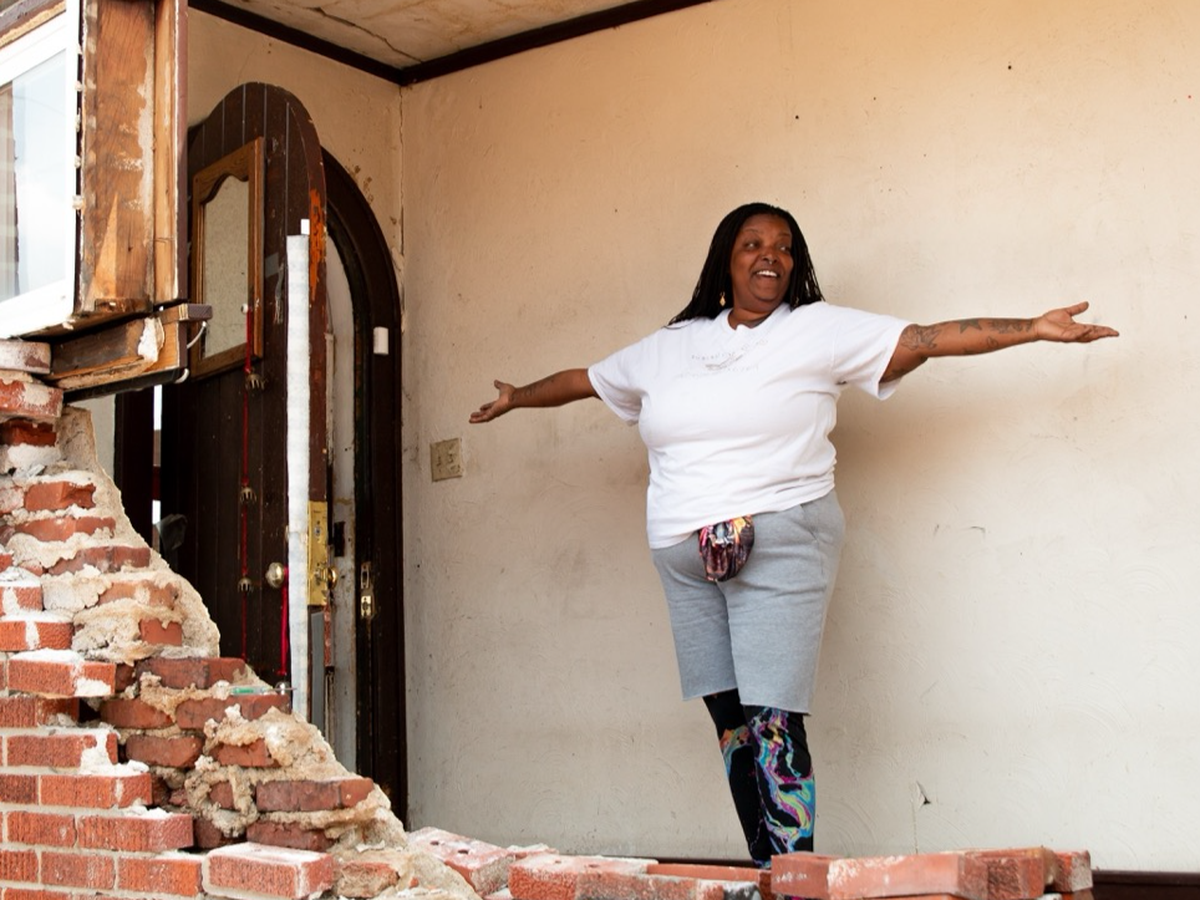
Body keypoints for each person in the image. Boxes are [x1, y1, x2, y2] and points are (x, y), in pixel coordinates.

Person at [469, 201, 1118, 867]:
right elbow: (585, 380)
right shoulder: (672, 344)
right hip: (682, 552)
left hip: (779, 537)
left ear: (795, 264)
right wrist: (519, 396)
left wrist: (1033, 329)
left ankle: (795, 883)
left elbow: (925, 338)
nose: (769, 255)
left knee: (773, 720)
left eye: (783, 246)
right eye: (753, 243)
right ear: (727, 260)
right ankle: (769, 873)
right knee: (732, 725)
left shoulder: (817, 330)